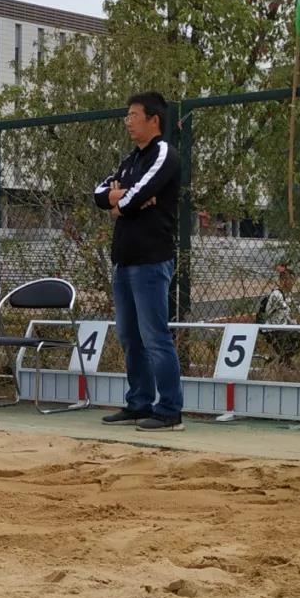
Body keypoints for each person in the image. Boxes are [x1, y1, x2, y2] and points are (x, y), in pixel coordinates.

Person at [93, 91, 184, 431]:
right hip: (124, 261)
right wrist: (121, 198)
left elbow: (134, 197)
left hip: (151, 260)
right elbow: (99, 194)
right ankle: (139, 403)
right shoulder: (130, 160)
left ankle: (170, 410)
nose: (128, 121)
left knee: (155, 337)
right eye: (127, 115)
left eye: (133, 115)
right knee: (129, 337)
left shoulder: (164, 154)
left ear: (153, 120)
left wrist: (123, 201)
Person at [257, 263, 300, 365]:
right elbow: (286, 312)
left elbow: (299, 308)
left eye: (293, 280)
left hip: (282, 329)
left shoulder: (288, 295)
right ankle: (279, 362)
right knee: (296, 346)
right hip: (273, 330)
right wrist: (297, 322)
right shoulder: (276, 295)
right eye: (290, 280)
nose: (292, 283)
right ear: (282, 281)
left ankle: (279, 361)